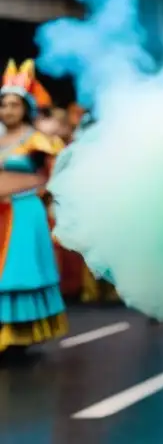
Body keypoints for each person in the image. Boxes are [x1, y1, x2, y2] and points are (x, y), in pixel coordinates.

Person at [0, 60, 67, 353]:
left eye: (14, 105)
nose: (7, 110)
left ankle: (17, 331)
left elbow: (56, 175)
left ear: (25, 107)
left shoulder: (39, 140)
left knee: (16, 270)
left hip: (24, 213)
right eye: (3, 105)